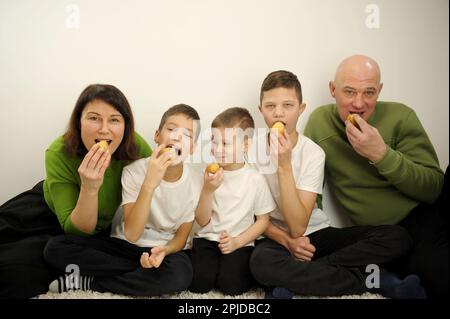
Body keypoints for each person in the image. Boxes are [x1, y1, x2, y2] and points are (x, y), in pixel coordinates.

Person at [249, 70, 418, 299]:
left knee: (398, 237)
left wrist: (284, 165)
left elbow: (300, 226)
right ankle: (374, 279)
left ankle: (302, 276)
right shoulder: (249, 150)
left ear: (301, 108)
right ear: (261, 111)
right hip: (273, 236)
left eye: (287, 105)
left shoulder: (313, 153)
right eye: (270, 106)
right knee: (260, 263)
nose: (278, 113)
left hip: (316, 234)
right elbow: (258, 218)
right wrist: (288, 241)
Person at [304, 55, 448, 299]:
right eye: (349, 91)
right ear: (332, 89)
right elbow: (310, 186)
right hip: (383, 235)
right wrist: (305, 235)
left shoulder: (402, 117)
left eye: (369, 92)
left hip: (426, 216)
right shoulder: (320, 123)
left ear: (379, 91)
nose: (358, 103)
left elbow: (434, 188)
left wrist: (382, 155)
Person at [0, 84, 151, 299]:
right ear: (78, 122)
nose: (104, 129)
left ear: (126, 126)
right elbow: (72, 223)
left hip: (76, 233)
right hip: (41, 211)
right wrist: (89, 187)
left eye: (114, 120)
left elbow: (79, 232)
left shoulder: (135, 148)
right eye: (94, 118)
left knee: (13, 270)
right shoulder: (58, 151)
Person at [44, 104, 200, 296]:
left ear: (192, 148)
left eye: (187, 135)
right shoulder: (133, 171)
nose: (177, 137)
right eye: (171, 129)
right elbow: (133, 234)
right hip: (124, 245)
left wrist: (164, 251)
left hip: (162, 250)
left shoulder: (196, 182)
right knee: (55, 248)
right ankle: (140, 272)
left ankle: (93, 281)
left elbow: (182, 237)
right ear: (157, 135)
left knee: (180, 276)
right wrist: (149, 183)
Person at [189, 107, 276, 296]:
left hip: (240, 242)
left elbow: (263, 220)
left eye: (226, 143)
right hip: (207, 239)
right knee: (199, 283)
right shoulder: (208, 173)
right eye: (214, 141)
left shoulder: (254, 179)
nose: (217, 149)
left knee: (231, 286)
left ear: (245, 145)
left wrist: (237, 242)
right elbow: (202, 220)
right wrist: (208, 189)